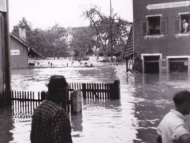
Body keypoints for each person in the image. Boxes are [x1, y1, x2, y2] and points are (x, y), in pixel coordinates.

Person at [30, 75, 73, 143]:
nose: (67, 94)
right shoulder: (59, 113)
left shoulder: (39, 108)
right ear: (60, 92)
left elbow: (33, 137)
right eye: (66, 90)